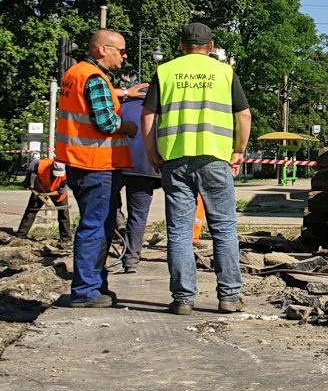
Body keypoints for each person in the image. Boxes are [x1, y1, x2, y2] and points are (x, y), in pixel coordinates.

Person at [141, 22, 251, 315]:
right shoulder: (224, 72)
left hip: (175, 159)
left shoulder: (165, 71)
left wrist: (152, 152)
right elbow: (244, 115)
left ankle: (183, 299)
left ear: (181, 46)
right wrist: (238, 151)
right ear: (211, 46)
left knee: (178, 231)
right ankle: (229, 296)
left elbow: (148, 115)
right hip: (215, 159)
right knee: (224, 228)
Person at [55, 29, 144, 308]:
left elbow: (93, 103)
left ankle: (93, 285)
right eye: (121, 50)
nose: (125, 55)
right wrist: (129, 127)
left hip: (81, 162)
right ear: (103, 50)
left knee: (97, 225)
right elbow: (106, 123)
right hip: (96, 165)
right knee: (95, 227)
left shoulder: (76, 73)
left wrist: (123, 93)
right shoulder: (94, 78)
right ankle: (87, 290)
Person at [115, 90, 159, 273]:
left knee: (109, 205)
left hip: (117, 164)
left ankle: (118, 224)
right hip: (146, 168)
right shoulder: (158, 112)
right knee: (138, 215)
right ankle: (131, 260)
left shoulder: (120, 108)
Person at [16, 157, 73, 243]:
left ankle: (66, 239)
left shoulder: (68, 173)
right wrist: (28, 182)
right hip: (39, 188)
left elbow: (61, 191)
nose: (56, 176)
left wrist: (47, 194)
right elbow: (30, 170)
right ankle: (21, 235)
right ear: (51, 167)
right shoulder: (40, 165)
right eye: (55, 173)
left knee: (63, 213)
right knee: (31, 210)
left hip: (57, 192)